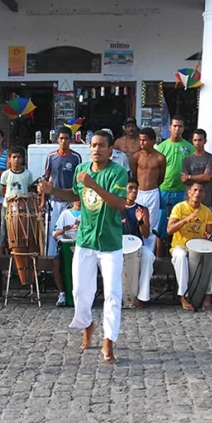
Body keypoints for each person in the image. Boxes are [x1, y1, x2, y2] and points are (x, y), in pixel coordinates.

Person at [38, 130, 128, 364]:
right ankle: (87, 322)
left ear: (110, 150)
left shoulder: (117, 172)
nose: (97, 149)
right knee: (80, 291)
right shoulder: (81, 170)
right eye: (93, 145)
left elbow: (119, 204)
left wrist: (94, 185)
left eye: (101, 145)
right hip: (85, 239)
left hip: (110, 242)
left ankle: (109, 341)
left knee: (112, 294)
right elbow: (74, 194)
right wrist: (52, 191)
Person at [168, 183, 212, 311]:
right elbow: (169, 230)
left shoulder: (206, 211)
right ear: (189, 193)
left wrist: (208, 237)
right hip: (180, 246)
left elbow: (210, 236)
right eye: (194, 190)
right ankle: (183, 295)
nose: (197, 193)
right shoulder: (179, 208)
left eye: (200, 191)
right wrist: (186, 219)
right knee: (181, 256)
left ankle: (208, 294)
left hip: (199, 247)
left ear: (204, 195)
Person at [45, 128, 82, 305]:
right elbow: (46, 179)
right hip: (54, 201)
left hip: (71, 201)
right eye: (61, 138)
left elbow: (78, 182)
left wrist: (74, 200)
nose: (64, 141)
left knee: (74, 231)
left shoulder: (76, 158)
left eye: (67, 138)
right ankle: (54, 261)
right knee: (55, 233)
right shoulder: (51, 157)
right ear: (57, 140)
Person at [156, 116, 194, 238]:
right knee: (162, 222)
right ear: (170, 127)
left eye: (180, 126)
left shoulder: (189, 147)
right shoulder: (161, 147)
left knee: (181, 220)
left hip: (182, 190)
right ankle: (160, 253)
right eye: (175, 126)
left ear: (183, 129)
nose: (177, 129)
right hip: (164, 189)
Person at [121, 182, 154, 308]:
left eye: (136, 188)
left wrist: (140, 221)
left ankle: (143, 296)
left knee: (149, 256)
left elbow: (145, 234)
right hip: (119, 246)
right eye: (130, 188)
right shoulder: (115, 207)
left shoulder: (142, 209)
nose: (134, 191)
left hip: (137, 246)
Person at [131, 128, 167, 238]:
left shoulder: (160, 158)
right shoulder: (136, 156)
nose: (142, 143)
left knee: (152, 224)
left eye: (145, 140)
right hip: (138, 193)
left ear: (153, 141)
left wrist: (153, 186)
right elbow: (134, 173)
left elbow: (161, 177)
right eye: (140, 140)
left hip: (152, 192)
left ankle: (150, 253)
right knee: (137, 220)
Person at [181, 129, 212, 208]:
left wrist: (190, 177)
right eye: (195, 140)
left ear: (205, 141)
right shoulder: (187, 160)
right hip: (189, 201)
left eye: (200, 140)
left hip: (207, 202)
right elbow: (184, 179)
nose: (197, 143)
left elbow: (207, 177)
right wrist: (202, 177)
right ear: (192, 141)